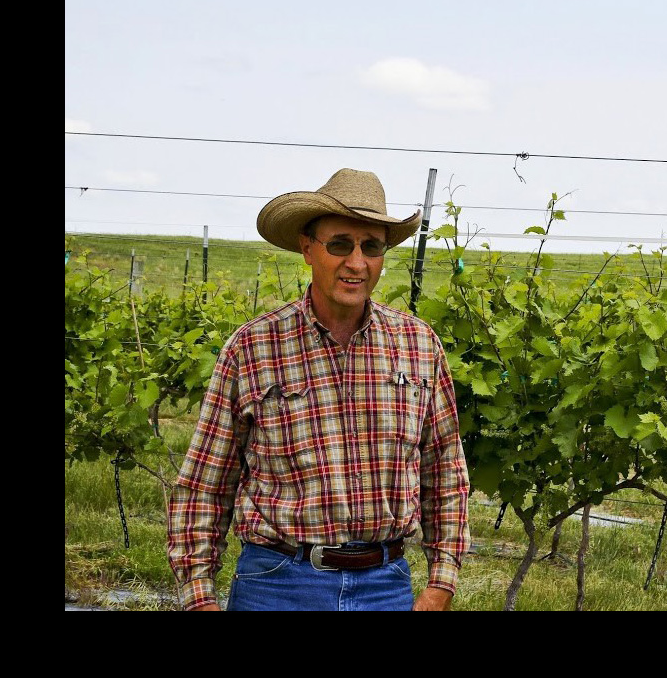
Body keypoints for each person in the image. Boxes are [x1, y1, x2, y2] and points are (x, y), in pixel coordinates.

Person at [167, 168, 471, 611]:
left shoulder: (419, 345)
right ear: (308, 249)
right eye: (340, 244)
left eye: (372, 246)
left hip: (385, 586)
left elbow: (444, 472)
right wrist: (199, 597)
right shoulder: (254, 347)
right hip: (276, 583)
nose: (357, 262)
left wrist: (441, 583)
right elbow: (206, 483)